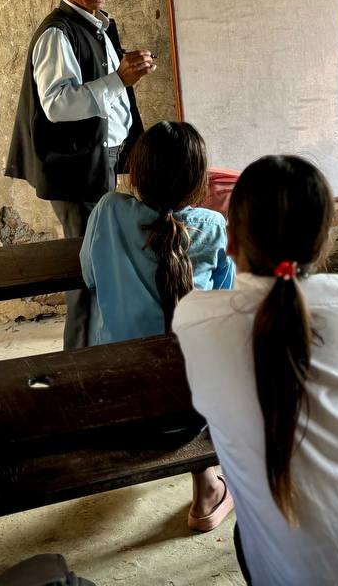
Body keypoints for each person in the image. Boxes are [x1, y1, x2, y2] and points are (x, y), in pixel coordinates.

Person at [173, 156, 338, 585]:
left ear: (230, 242)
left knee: (249, 533)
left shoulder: (195, 321)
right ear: (320, 247)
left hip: (300, 569)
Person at [81, 120, 234, 532]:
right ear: (199, 181)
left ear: (138, 173)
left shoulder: (109, 211)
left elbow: (89, 276)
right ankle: (207, 488)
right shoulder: (212, 227)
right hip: (191, 414)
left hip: (117, 401)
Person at [6, 0, 152, 350]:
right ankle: (79, 365)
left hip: (99, 161)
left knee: (97, 266)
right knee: (88, 272)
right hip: (76, 169)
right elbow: (58, 104)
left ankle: (93, 356)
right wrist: (120, 80)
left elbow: (106, 95)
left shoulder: (99, 26)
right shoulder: (58, 33)